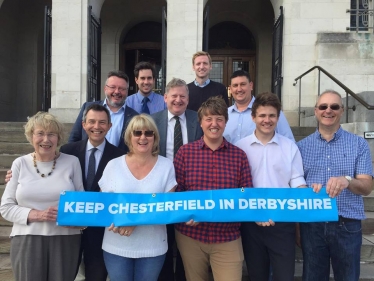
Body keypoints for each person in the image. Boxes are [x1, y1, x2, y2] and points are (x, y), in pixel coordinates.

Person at [173, 96, 253, 281]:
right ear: (200, 123)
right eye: (208, 119)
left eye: (219, 119)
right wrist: (186, 215)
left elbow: (246, 194)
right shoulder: (185, 153)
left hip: (228, 236)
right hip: (191, 235)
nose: (214, 124)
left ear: (225, 122)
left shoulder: (239, 156)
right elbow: (177, 191)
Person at [297, 90, 373, 280]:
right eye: (323, 106)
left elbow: (367, 187)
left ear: (342, 110)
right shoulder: (300, 147)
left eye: (334, 106)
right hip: (312, 225)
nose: (328, 110)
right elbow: (296, 188)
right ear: (316, 111)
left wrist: (347, 181)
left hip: (346, 224)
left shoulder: (359, 144)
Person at [0, 112, 84, 281]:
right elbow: (6, 207)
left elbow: (81, 203)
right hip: (26, 239)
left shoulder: (72, 162)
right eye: (40, 133)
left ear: (58, 138)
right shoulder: (20, 163)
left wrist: (81, 221)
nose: (46, 140)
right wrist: (37, 215)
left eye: (51, 134)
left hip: (65, 239)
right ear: (31, 136)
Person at [235, 92, 306, 281]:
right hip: (251, 225)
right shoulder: (240, 147)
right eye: (262, 116)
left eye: (272, 115)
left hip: (282, 224)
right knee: (256, 276)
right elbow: (236, 186)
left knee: (284, 276)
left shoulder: (290, 147)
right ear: (253, 117)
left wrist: (310, 196)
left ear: (278, 117)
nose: (267, 120)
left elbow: (298, 183)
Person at [98, 114, 177, 281]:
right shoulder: (113, 165)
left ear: (155, 137)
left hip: (152, 247)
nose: (143, 137)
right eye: (137, 132)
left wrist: (134, 220)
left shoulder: (166, 166)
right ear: (129, 136)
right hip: (116, 246)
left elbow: (167, 208)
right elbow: (102, 205)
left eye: (148, 133)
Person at [60, 104, 125, 281]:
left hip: (101, 231)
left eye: (102, 122)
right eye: (92, 122)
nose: (97, 127)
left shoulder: (120, 157)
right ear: (83, 124)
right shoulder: (67, 152)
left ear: (109, 126)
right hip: (70, 230)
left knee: (96, 276)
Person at [152, 78, 203, 281]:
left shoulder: (197, 120)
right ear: (165, 98)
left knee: (186, 245)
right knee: (163, 241)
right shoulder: (153, 121)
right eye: (174, 96)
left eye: (182, 96)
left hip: (189, 189)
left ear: (188, 99)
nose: (178, 100)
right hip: (161, 189)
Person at [68, 70, 138, 152]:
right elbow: (74, 138)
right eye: (113, 87)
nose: (117, 91)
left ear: (127, 91)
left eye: (122, 88)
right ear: (105, 88)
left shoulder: (134, 117)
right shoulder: (87, 107)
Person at [223, 70, 294, 144]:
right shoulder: (224, 114)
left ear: (251, 86)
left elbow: (289, 141)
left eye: (243, 84)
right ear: (230, 89)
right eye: (235, 85)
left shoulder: (270, 111)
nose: (239, 89)